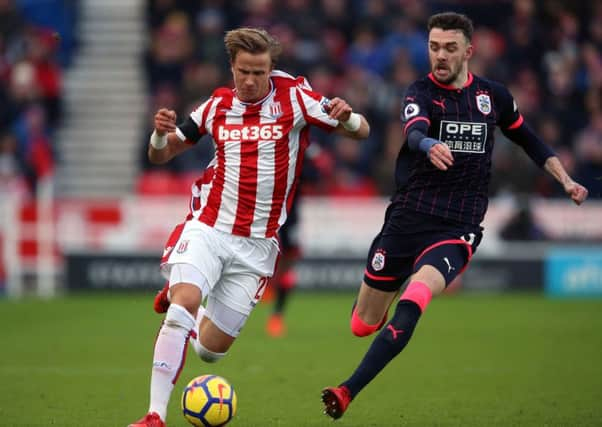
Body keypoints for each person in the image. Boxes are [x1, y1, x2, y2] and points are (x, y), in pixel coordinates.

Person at [321, 12, 588, 420]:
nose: (440, 56)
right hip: (408, 219)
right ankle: (380, 302)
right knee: (362, 324)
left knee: (417, 296)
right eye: (433, 47)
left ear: (469, 50)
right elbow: (413, 131)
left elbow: (529, 140)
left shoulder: (492, 96)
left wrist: (565, 180)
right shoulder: (419, 92)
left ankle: (347, 390)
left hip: (458, 226)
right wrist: (428, 144)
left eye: (449, 48)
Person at [129, 27, 370, 427]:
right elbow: (162, 154)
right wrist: (158, 134)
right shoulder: (216, 106)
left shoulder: (295, 96)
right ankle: (155, 414)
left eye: (260, 71)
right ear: (232, 68)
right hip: (209, 225)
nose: (251, 80)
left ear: (271, 68)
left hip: (257, 246)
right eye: (244, 71)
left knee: (210, 351)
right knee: (184, 303)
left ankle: (182, 302)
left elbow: (362, 132)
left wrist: (348, 119)